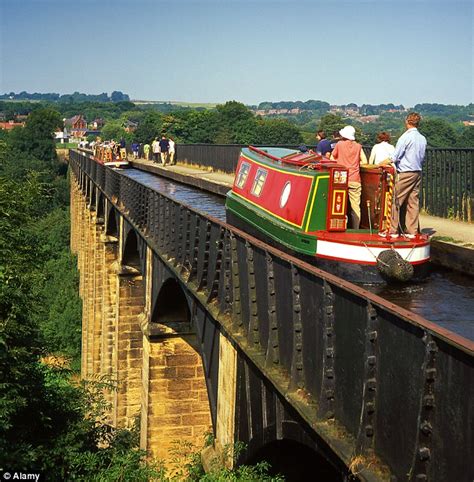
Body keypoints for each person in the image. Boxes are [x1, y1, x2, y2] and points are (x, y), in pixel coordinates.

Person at [380, 112, 427, 238]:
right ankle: (412, 231)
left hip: (406, 172)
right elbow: (422, 157)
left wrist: (383, 162)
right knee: (413, 201)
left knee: (395, 199)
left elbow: (395, 156)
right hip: (417, 171)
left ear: (407, 122)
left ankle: (392, 230)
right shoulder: (422, 138)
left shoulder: (405, 137)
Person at [331, 125, 368, 229]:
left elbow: (332, 158)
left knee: (339, 205)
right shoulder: (358, 146)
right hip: (355, 178)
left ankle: (339, 226)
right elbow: (365, 161)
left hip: (341, 178)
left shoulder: (339, 144)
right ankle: (356, 228)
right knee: (356, 207)